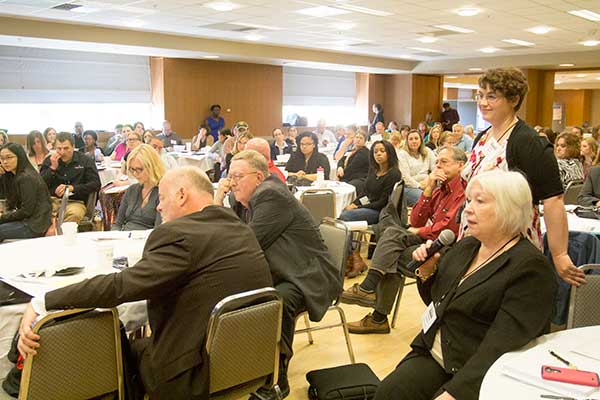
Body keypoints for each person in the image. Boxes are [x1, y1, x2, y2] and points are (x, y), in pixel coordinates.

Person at [17, 167, 273, 400]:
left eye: (162, 198)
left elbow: (120, 287)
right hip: (247, 358)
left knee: (109, 347)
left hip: (192, 373)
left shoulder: (178, 234)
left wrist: (44, 300)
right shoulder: (239, 227)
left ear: (182, 195)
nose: (158, 208)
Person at [374, 170, 557, 400]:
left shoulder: (530, 269)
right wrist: (427, 270)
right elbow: (437, 302)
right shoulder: (468, 247)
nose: (468, 208)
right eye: (469, 200)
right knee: (388, 393)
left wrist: (456, 392)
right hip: (437, 353)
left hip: (481, 369)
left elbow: (502, 344)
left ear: (509, 208)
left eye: (479, 201)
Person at [215, 150, 341, 400]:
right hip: (287, 269)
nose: (232, 182)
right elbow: (237, 234)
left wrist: (218, 205)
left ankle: (276, 380)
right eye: (230, 176)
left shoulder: (270, 194)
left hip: (308, 275)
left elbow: (247, 242)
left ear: (259, 177)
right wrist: (222, 200)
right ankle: (245, 363)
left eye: (238, 176)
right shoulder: (253, 198)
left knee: (275, 300)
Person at [464, 67, 584, 287]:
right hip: (476, 234)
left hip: (511, 240)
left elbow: (553, 199)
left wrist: (559, 254)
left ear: (513, 100)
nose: (483, 102)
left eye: (491, 96)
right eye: (480, 95)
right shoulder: (482, 138)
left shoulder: (529, 142)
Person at [342, 147, 467, 333]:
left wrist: (419, 230)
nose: (438, 166)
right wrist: (428, 189)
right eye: (437, 162)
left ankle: (373, 301)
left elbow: (448, 229)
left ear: (461, 165)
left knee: (390, 248)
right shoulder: (439, 188)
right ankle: (376, 313)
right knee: (391, 245)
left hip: (447, 249)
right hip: (428, 242)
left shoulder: (464, 191)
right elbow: (416, 219)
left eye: (444, 162)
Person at [339, 140, 401, 276]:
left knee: (345, 217)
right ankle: (353, 256)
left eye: (382, 151)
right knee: (344, 213)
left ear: (389, 153)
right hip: (370, 207)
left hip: (381, 212)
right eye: (375, 151)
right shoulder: (374, 170)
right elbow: (366, 194)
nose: (378, 154)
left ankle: (353, 258)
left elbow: (382, 202)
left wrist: (358, 207)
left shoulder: (394, 174)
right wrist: (355, 203)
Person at [40, 132, 101, 223]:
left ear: (73, 146)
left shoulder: (85, 160)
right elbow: (40, 185)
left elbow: (96, 184)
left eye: (66, 148)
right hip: (52, 201)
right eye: (59, 148)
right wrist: (52, 169)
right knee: (38, 215)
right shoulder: (50, 160)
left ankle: (64, 236)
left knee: (73, 215)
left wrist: (73, 188)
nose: (62, 152)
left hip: (75, 202)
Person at [0, 143, 52, 241]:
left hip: (35, 224)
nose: (5, 162)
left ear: (19, 157)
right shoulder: (13, 174)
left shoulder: (26, 177)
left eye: (9, 157)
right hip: (29, 220)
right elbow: (5, 196)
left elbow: (26, 211)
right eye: (2, 158)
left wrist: (3, 217)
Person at [112, 144, 165, 231]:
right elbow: (117, 223)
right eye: (132, 169)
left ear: (152, 167)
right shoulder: (132, 190)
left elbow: (158, 231)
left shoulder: (163, 192)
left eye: (139, 169)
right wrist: (114, 235)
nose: (135, 174)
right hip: (125, 237)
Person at [397, 130, 436, 206]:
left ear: (421, 140)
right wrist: (419, 185)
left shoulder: (427, 151)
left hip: (428, 182)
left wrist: (430, 179)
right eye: (411, 139)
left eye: (416, 138)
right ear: (407, 142)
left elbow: (436, 167)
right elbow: (405, 177)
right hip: (409, 186)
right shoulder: (402, 154)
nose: (414, 141)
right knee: (425, 198)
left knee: (439, 196)